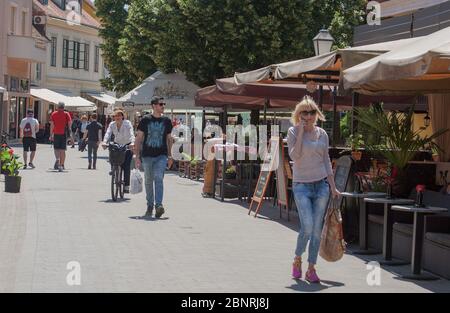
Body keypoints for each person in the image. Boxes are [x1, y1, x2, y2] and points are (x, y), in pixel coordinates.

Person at [287, 95, 340, 283]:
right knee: (307, 227)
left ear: (316, 114)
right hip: (301, 185)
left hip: (321, 186)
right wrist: (301, 131)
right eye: (304, 112)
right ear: (298, 114)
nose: (308, 116)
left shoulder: (322, 134)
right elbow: (295, 155)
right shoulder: (293, 132)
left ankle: (311, 268)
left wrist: (333, 186)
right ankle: (297, 259)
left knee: (317, 230)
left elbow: (326, 160)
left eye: (311, 112)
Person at [134, 96, 174, 218]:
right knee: (148, 181)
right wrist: (137, 156)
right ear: (154, 106)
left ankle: (159, 205)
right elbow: (139, 138)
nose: (163, 106)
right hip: (147, 156)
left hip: (161, 155)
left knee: (158, 178)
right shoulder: (145, 120)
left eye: (163, 104)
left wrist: (170, 155)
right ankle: (150, 205)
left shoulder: (167, 121)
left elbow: (169, 139)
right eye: (161, 104)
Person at [102, 110, 135, 193]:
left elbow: (131, 133)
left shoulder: (127, 123)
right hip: (117, 144)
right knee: (113, 158)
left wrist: (132, 142)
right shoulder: (112, 124)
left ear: (122, 116)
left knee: (126, 166)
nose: (117, 117)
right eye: (116, 116)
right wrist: (104, 142)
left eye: (119, 116)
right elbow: (108, 133)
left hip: (127, 145)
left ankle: (126, 185)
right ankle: (113, 169)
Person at [50, 102, 72, 172]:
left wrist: (51, 134)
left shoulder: (53, 114)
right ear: (64, 107)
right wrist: (70, 133)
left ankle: (57, 159)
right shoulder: (66, 114)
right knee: (62, 150)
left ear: (57, 107)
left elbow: (52, 125)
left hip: (56, 133)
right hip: (63, 133)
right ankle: (61, 165)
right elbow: (69, 124)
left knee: (56, 148)